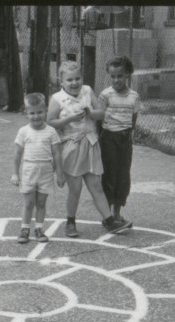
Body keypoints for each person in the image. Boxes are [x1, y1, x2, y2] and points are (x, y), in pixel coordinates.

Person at [47, 61, 132, 238]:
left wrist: (90, 113)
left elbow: (101, 113)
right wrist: (69, 119)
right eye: (69, 80)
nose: (74, 83)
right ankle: (70, 221)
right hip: (71, 147)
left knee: (96, 187)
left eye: (77, 78)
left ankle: (109, 221)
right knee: (75, 189)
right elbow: (50, 122)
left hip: (91, 144)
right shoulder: (57, 98)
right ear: (61, 81)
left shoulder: (87, 91)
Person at [11, 92, 65, 244]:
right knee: (29, 203)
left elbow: (57, 154)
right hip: (29, 170)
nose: (36, 116)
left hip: (46, 171)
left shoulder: (51, 132)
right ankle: (24, 229)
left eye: (40, 112)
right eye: (32, 113)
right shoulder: (23, 131)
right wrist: (15, 174)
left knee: (41, 203)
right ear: (26, 113)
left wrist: (60, 174)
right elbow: (17, 154)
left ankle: (39, 229)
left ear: (46, 110)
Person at [98, 55, 144, 224]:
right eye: (113, 76)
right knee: (109, 176)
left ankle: (117, 213)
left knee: (123, 176)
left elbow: (133, 119)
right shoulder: (105, 95)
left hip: (125, 140)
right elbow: (98, 119)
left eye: (120, 76)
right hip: (108, 139)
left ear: (128, 75)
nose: (116, 80)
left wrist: (127, 135)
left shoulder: (134, 96)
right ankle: (107, 216)